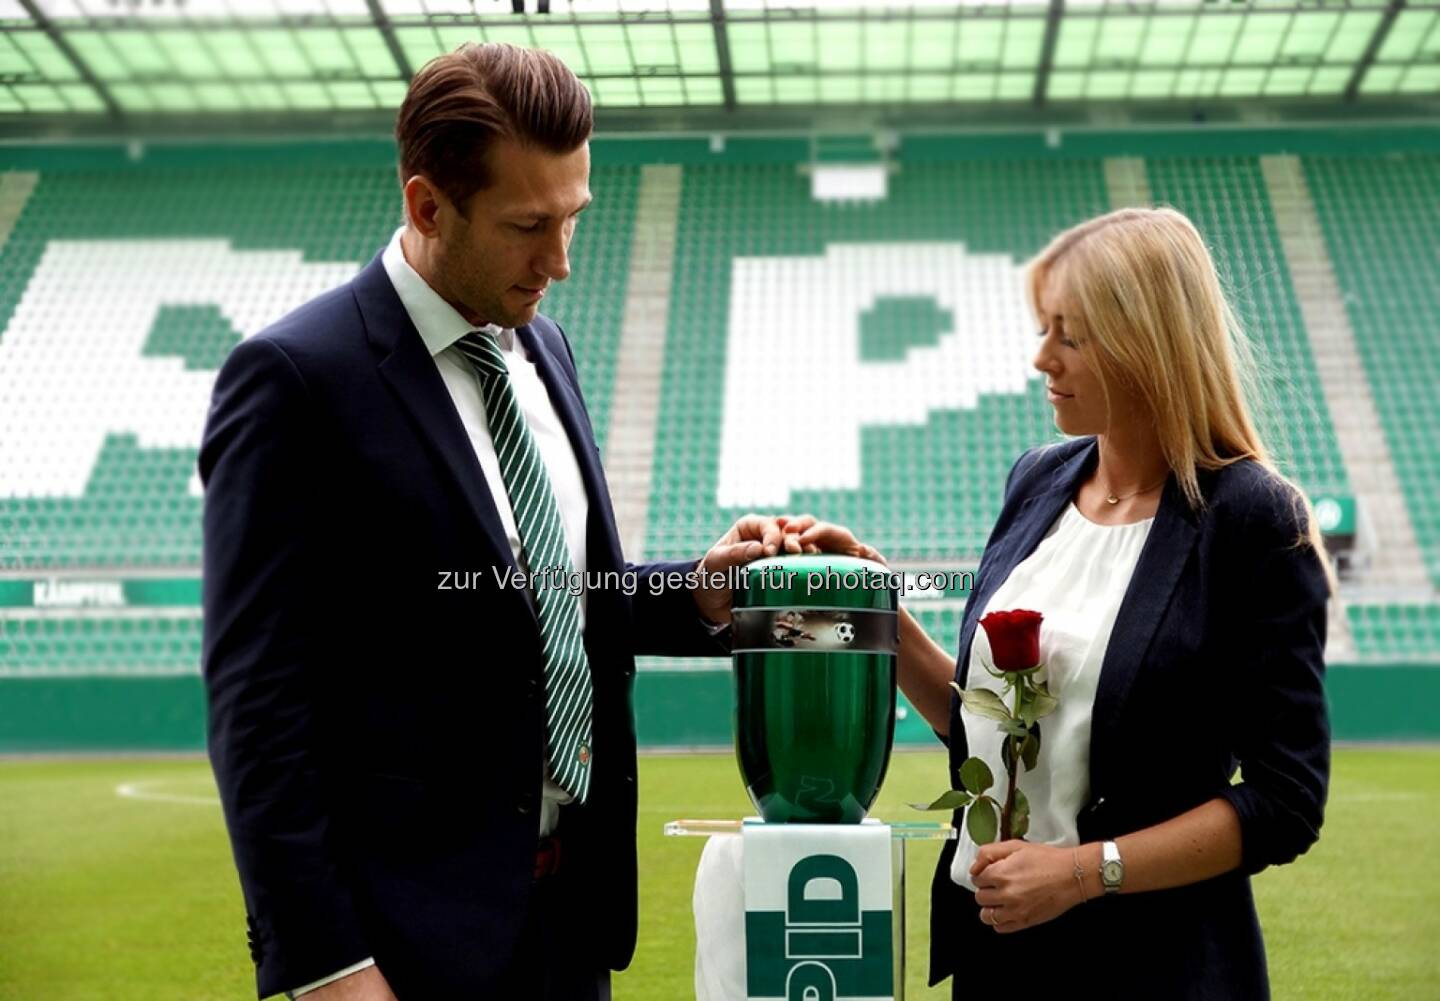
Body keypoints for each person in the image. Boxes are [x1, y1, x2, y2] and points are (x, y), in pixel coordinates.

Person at [200, 43, 802, 1001]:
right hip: (404, 949)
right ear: (428, 206)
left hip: (569, 928)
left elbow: (541, 608)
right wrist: (329, 968)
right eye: (530, 225)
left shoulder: (544, 346)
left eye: (574, 218)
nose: (560, 262)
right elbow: (257, 705)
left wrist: (698, 591)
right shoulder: (295, 382)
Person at [791, 206, 1333, 998]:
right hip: (1000, 958)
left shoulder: (1254, 518)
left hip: (1158, 967)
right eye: (1045, 329)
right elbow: (986, 722)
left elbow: (1286, 799)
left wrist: (1083, 872)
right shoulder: (1037, 479)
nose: (1041, 357)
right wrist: (875, 606)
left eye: (1068, 335)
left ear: (1147, 343)